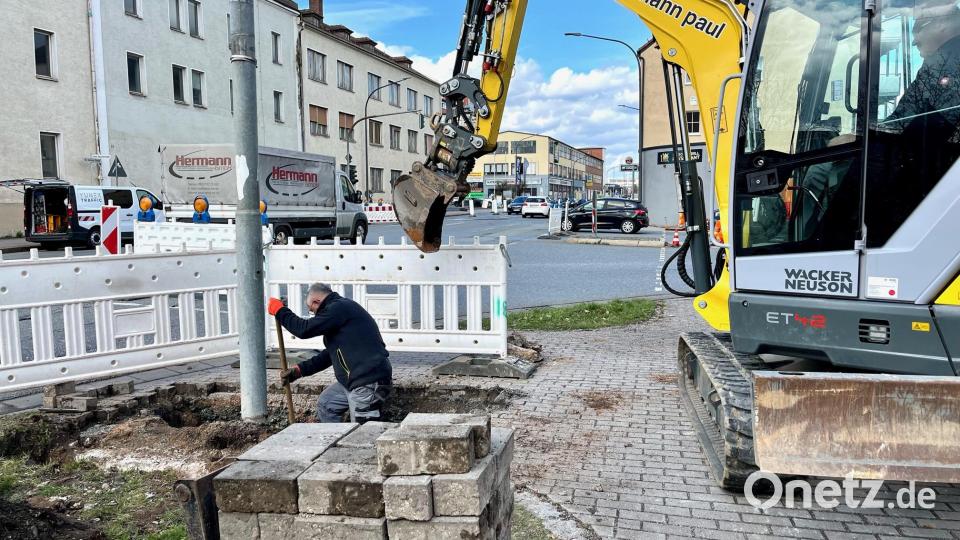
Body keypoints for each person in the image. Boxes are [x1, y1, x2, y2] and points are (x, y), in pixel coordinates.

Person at [267, 283, 392, 423]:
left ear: (316, 302)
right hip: (353, 381)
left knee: (362, 434)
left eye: (311, 310)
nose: (313, 314)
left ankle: (355, 443)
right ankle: (336, 442)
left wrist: (280, 311)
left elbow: (303, 329)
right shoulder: (339, 314)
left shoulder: (339, 308)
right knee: (327, 404)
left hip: (368, 382)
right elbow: (329, 355)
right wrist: (299, 370)